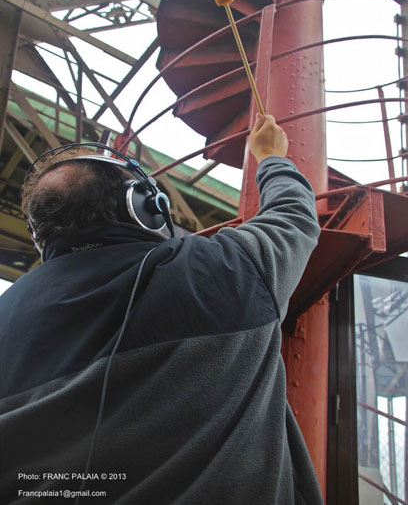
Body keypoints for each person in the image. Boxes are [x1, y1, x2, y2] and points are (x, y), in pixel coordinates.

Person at [0, 114, 322, 504]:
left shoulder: (6, 313)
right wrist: (271, 157)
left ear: (39, 234)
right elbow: (293, 216)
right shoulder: (225, 266)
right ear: (146, 207)